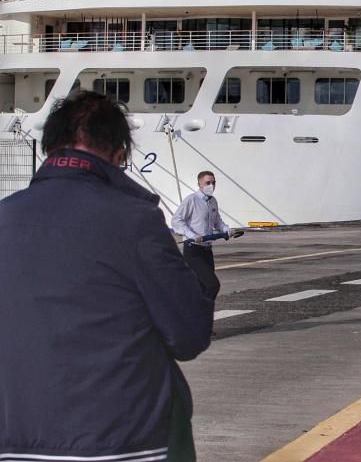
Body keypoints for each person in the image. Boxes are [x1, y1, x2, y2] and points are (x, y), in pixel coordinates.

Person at [0, 90, 213, 461]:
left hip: (16, 439)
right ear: (119, 154)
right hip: (123, 439)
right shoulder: (135, 220)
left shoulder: (5, 216)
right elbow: (188, 335)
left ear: (49, 148)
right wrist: (199, 274)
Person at [172, 171, 231, 301]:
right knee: (212, 285)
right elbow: (176, 220)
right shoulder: (191, 200)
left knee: (202, 287)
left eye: (213, 183)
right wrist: (191, 234)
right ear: (199, 184)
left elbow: (217, 221)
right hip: (193, 250)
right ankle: (201, 314)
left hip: (207, 250)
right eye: (207, 183)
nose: (211, 185)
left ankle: (197, 316)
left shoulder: (213, 201)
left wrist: (226, 229)